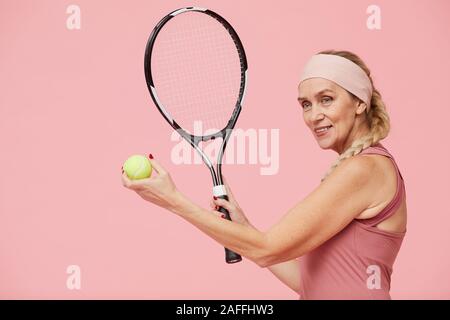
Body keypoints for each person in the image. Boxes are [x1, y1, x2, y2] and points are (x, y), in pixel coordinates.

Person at [121, 50, 407, 300]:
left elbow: (267, 250)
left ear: (360, 103)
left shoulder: (364, 169)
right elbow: (307, 281)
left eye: (326, 99)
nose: (313, 115)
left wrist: (173, 200)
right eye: (306, 104)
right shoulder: (357, 167)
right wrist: (246, 228)